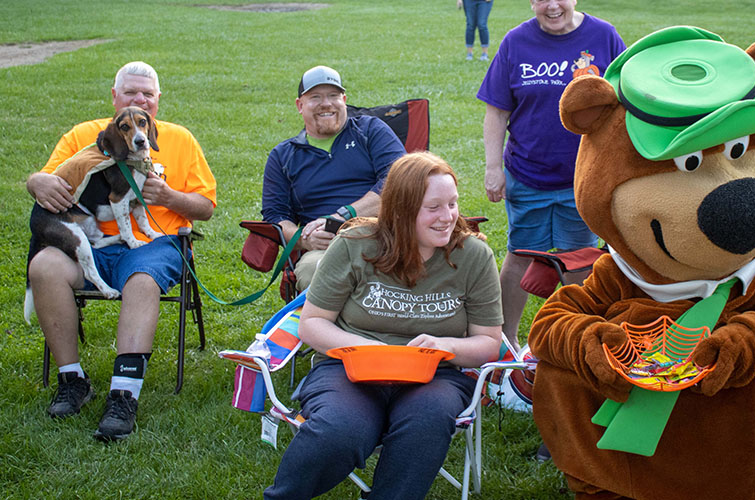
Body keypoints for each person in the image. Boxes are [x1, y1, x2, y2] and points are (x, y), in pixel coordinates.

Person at [262, 152, 503, 499]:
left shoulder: (473, 256)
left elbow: (488, 343)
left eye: (453, 204)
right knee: (340, 430)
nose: (448, 217)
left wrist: (446, 347)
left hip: (435, 373)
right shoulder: (356, 244)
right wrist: (363, 349)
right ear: (401, 210)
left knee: (426, 423)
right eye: (433, 207)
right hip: (349, 366)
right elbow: (313, 323)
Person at [26, 61, 216, 441]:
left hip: (154, 242)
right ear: (115, 97)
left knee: (142, 280)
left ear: (158, 101)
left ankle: (123, 394)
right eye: (131, 92)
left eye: (147, 94)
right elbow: (47, 177)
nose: (140, 99)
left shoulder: (179, 139)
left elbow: (206, 208)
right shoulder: (84, 134)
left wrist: (170, 196)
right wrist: (35, 182)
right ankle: (72, 380)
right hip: (89, 242)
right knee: (45, 264)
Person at [476, 0, 626, 350]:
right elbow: (496, 112)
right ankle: (504, 339)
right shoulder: (516, 42)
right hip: (528, 174)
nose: (552, 5)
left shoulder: (604, 37)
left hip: (584, 177)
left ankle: (577, 339)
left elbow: (625, 101)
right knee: (521, 254)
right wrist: (492, 167)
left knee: (579, 258)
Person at [261, 65, 407, 293]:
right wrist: (302, 239)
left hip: (384, 236)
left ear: (344, 99)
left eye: (333, 96)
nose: (326, 104)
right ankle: (328, 327)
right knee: (312, 271)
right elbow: (275, 216)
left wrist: (343, 216)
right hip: (325, 248)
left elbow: (399, 181)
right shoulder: (283, 156)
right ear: (300, 105)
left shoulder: (371, 130)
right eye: (315, 97)